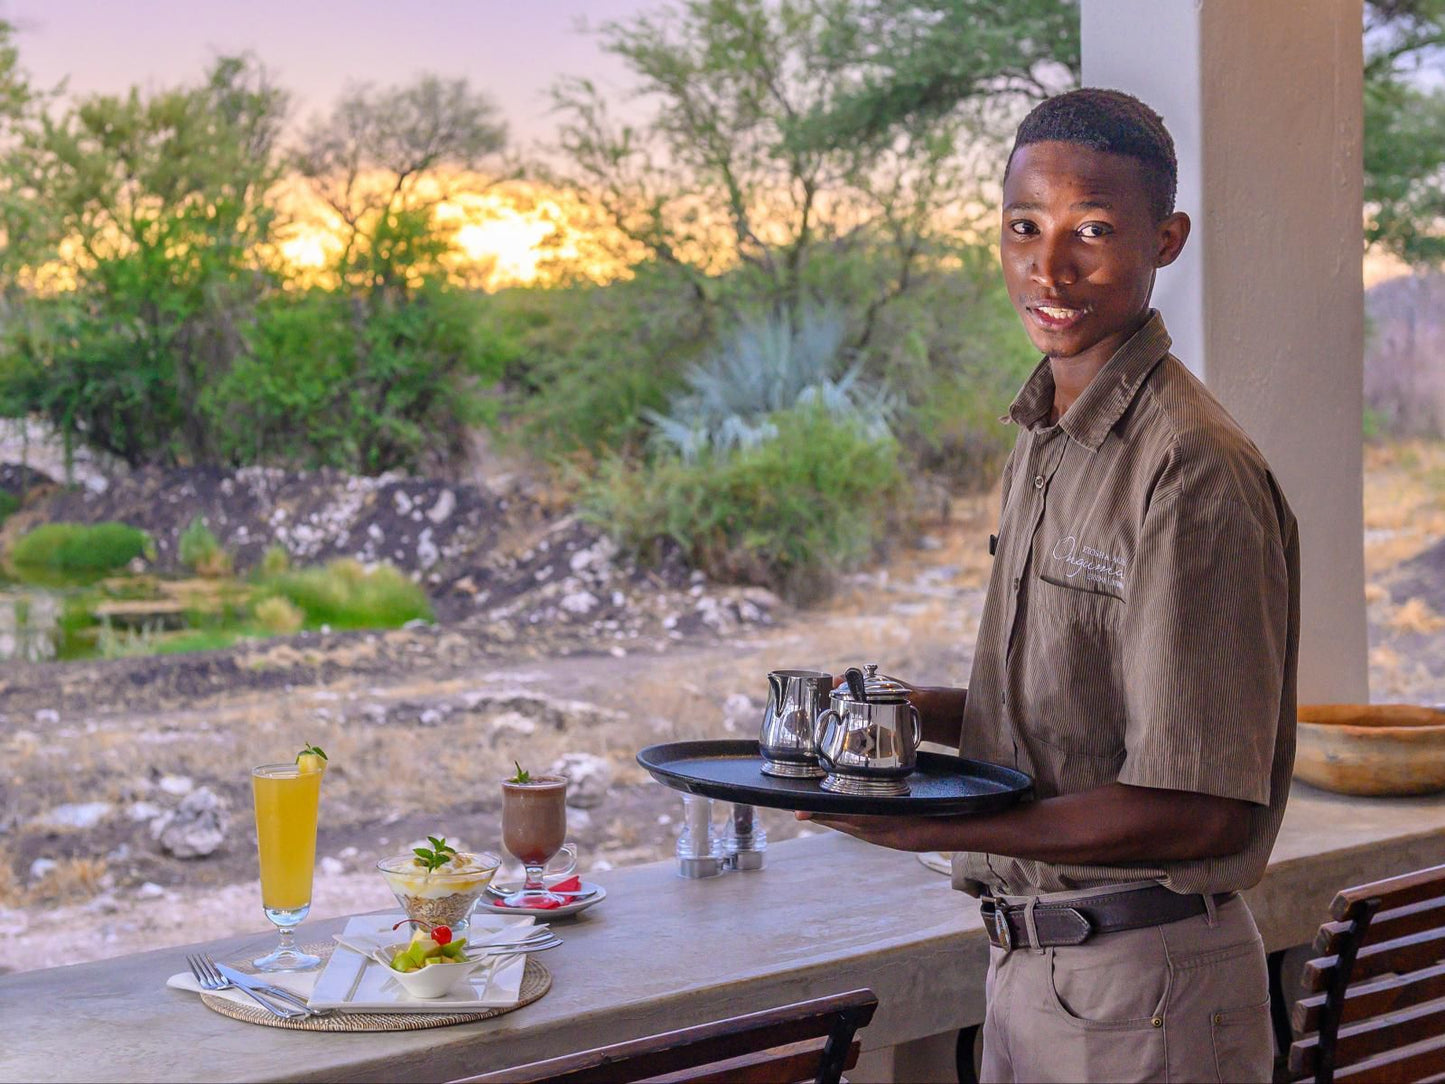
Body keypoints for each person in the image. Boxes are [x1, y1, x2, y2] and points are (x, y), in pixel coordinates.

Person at [799, 88, 1299, 1083]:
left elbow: (1202, 808)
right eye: (1024, 226)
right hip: (1031, 972)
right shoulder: (1046, 433)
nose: (1049, 266)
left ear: (1165, 239)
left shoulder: (1189, 467)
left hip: (1144, 988)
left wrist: (926, 822)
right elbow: (1072, 716)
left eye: (1094, 231)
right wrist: (893, 714)